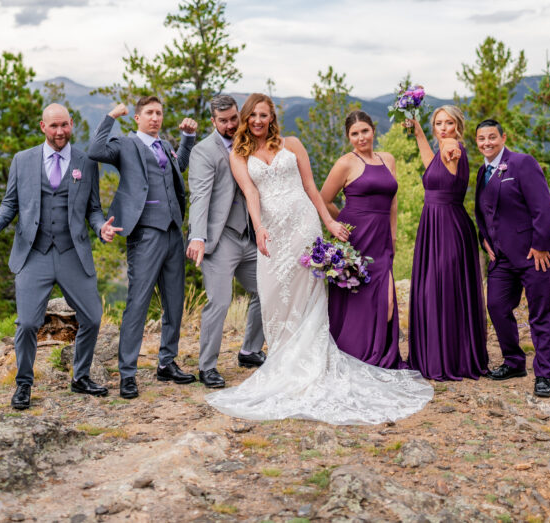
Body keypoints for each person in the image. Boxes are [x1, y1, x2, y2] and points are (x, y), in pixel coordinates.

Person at [205, 94, 433, 425]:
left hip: (304, 226)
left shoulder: (293, 144)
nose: (257, 120)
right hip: (272, 232)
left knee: (309, 297)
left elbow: (312, 189)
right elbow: (251, 193)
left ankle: (314, 359)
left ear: (272, 117)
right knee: (273, 298)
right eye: (252, 115)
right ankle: (283, 361)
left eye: (264, 115)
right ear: (245, 118)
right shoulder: (238, 155)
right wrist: (259, 227)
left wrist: (329, 223)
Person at [0, 103, 120, 410]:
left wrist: (101, 228)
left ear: (72, 124)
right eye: (53, 126)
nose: (59, 132)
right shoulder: (22, 160)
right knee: (28, 323)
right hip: (34, 253)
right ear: (43, 127)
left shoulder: (86, 162)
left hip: (72, 252)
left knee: (92, 318)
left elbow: (93, 209)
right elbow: (10, 204)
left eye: (64, 125)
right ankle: (24, 384)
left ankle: (81, 376)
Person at [88, 96, 198, 400]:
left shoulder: (165, 146)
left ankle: (167, 363)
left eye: (159, 113)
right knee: (138, 303)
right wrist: (111, 116)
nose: (155, 117)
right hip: (145, 232)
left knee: (174, 301)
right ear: (137, 118)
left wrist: (188, 138)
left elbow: (179, 167)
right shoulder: (126, 145)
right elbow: (95, 150)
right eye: (149, 113)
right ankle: (128, 374)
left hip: (173, 232)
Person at [473, 118, 550, 398]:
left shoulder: (522, 163)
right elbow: (482, 211)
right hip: (501, 257)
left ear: (503, 138)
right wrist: (484, 239)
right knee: (496, 306)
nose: (487, 143)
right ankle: (514, 362)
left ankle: (544, 374)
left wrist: (541, 245)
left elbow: (542, 206)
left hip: (533, 254)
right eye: (481, 139)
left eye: (492, 137)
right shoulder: (482, 172)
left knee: (541, 313)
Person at [186, 95, 266, 389]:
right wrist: (198, 237)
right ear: (213, 121)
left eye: (234, 118)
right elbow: (199, 196)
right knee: (219, 302)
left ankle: (250, 350)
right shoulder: (203, 151)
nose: (230, 125)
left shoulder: (251, 142)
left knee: (266, 291)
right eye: (223, 121)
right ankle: (207, 367)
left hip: (250, 236)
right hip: (220, 239)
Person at [407, 105, 490, 381]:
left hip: (447, 226)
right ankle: (443, 353)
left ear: (458, 126)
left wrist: (451, 151)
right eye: (439, 123)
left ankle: (448, 358)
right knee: (437, 288)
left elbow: (449, 153)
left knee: (440, 288)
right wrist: (418, 132)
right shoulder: (439, 151)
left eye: (449, 123)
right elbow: (430, 162)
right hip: (434, 225)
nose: (443, 128)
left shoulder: (453, 146)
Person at [318, 111, 406, 369]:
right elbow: (324, 199)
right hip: (355, 239)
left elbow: (393, 201)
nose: (361, 137)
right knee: (356, 298)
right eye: (354, 134)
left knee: (386, 303)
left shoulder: (388, 159)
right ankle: (355, 353)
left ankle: (380, 353)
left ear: (373, 130)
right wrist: (339, 223)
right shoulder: (346, 163)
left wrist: (393, 234)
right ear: (349, 137)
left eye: (364, 131)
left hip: (382, 238)